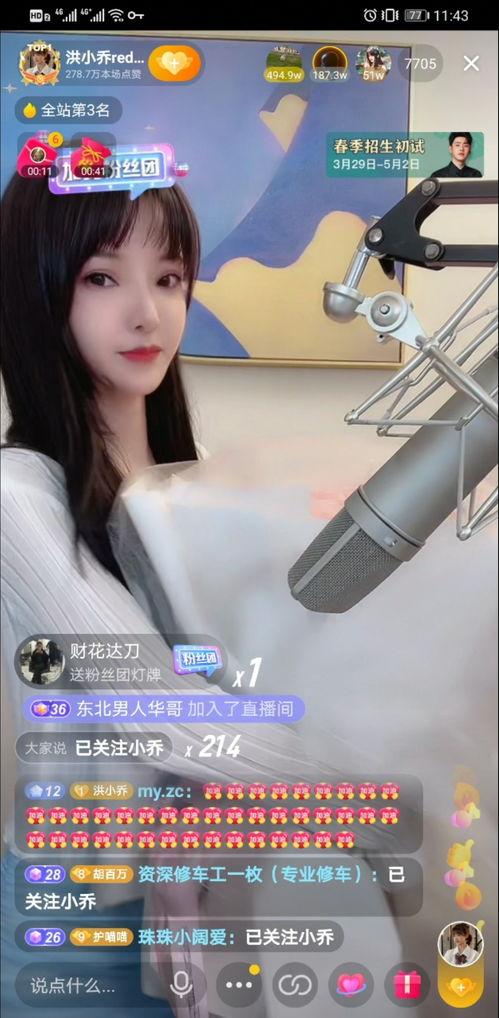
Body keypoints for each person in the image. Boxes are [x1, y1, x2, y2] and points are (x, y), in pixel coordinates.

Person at [0, 173, 319, 1018]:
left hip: (208, 907)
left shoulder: (197, 481)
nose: (147, 313)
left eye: (169, 277)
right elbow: (171, 717)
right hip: (78, 922)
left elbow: (248, 679)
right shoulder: (19, 495)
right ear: (38, 292)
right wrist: (374, 774)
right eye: (102, 277)